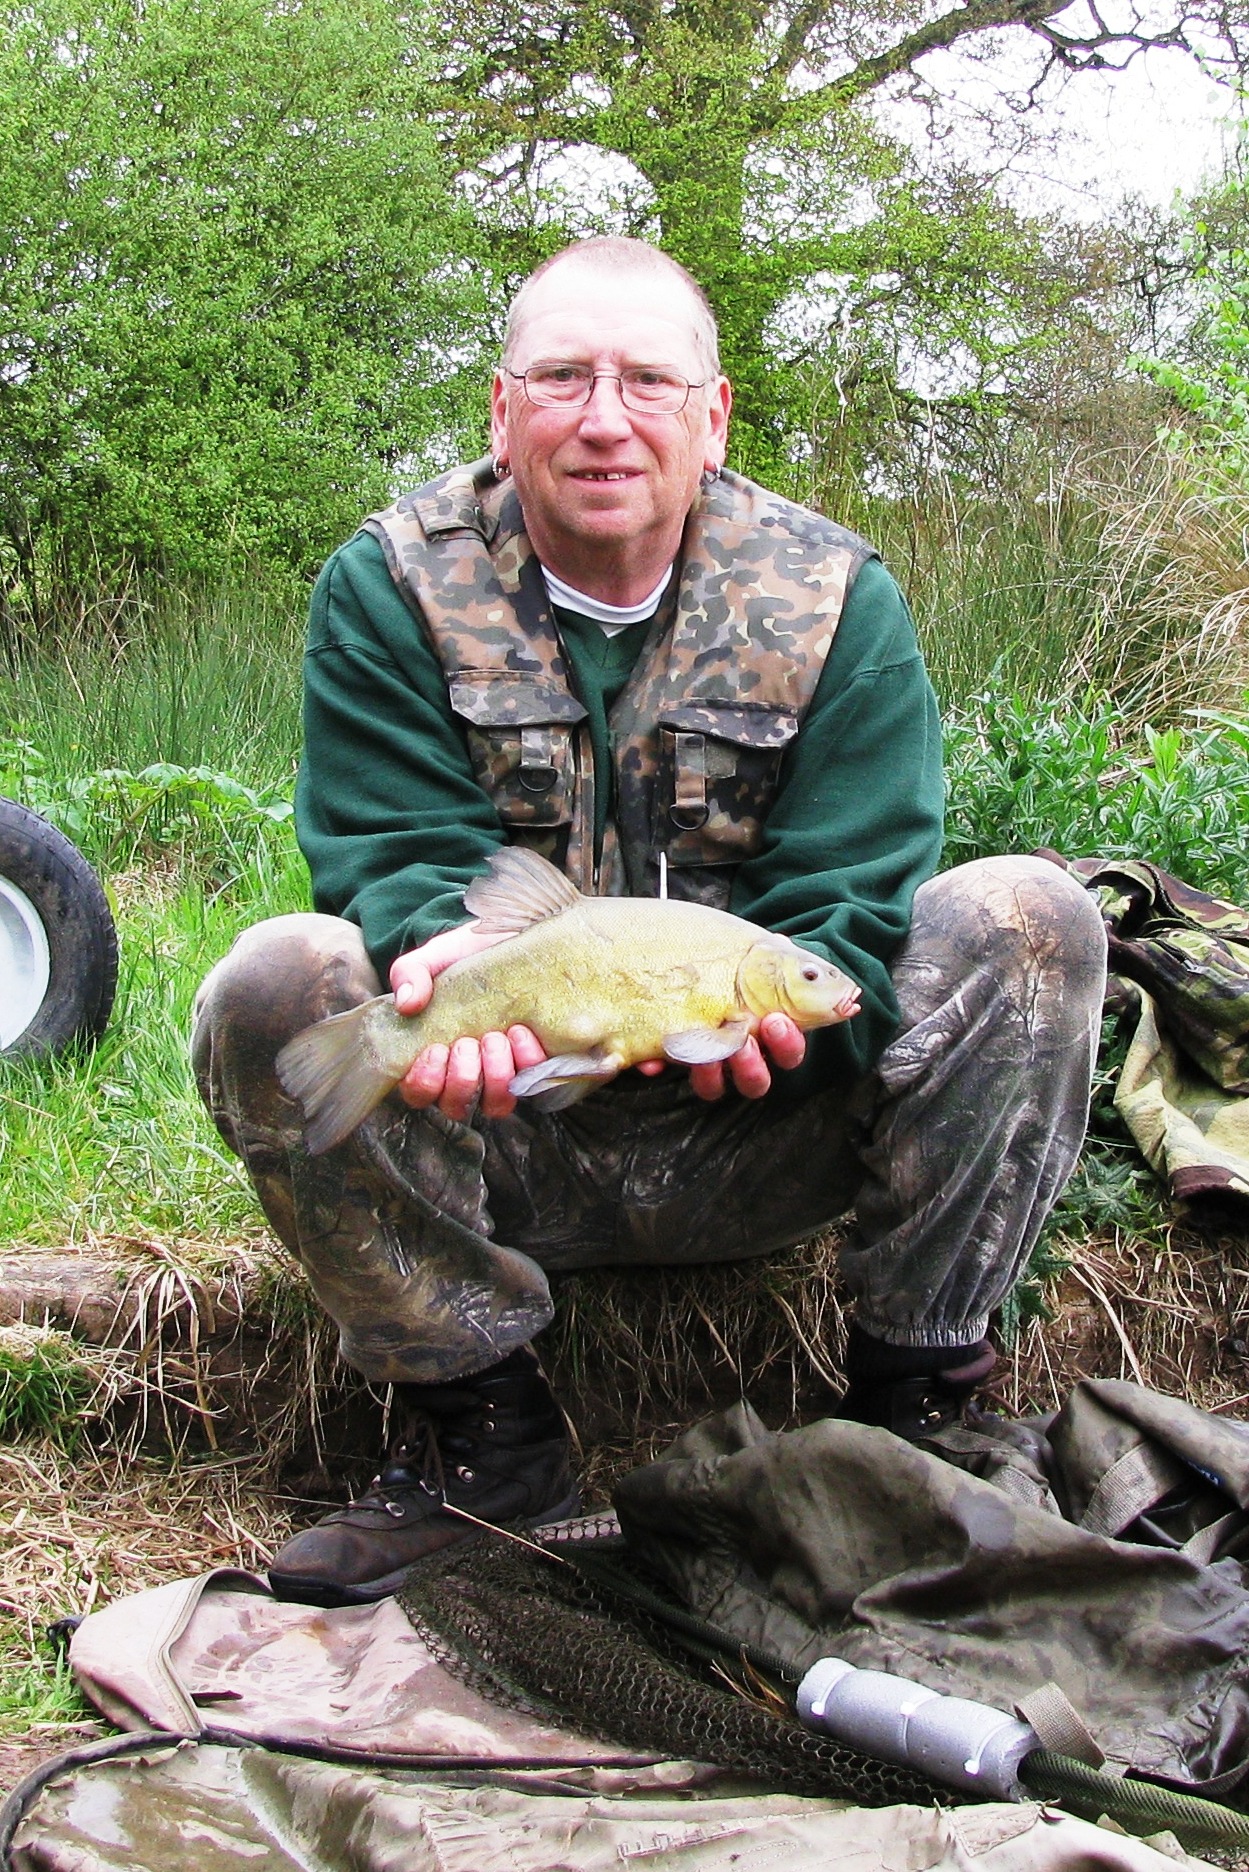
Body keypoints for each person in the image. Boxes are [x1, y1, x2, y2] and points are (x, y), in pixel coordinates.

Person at [192, 237, 1108, 1609]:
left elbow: (848, 903)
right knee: (277, 979)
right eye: (562, 378)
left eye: (645, 382)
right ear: (502, 411)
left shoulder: (833, 597)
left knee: (1031, 916)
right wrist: (439, 962)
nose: (605, 418)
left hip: (762, 1126)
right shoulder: (386, 584)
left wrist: (782, 1024)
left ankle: (916, 1409)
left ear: (712, 413)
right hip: (502, 1126)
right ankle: (482, 1440)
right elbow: (398, 855)